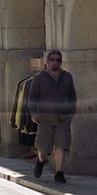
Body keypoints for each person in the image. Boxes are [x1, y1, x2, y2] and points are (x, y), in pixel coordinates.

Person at [27, 49, 76, 183]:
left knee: (61, 145)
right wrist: (33, 113)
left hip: (63, 118)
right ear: (47, 62)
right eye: (52, 60)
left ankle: (59, 172)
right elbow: (32, 97)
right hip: (45, 117)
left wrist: (71, 112)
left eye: (58, 60)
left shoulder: (67, 77)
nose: (55, 62)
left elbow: (72, 96)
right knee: (43, 147)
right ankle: (41, 160)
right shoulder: (39, 78)